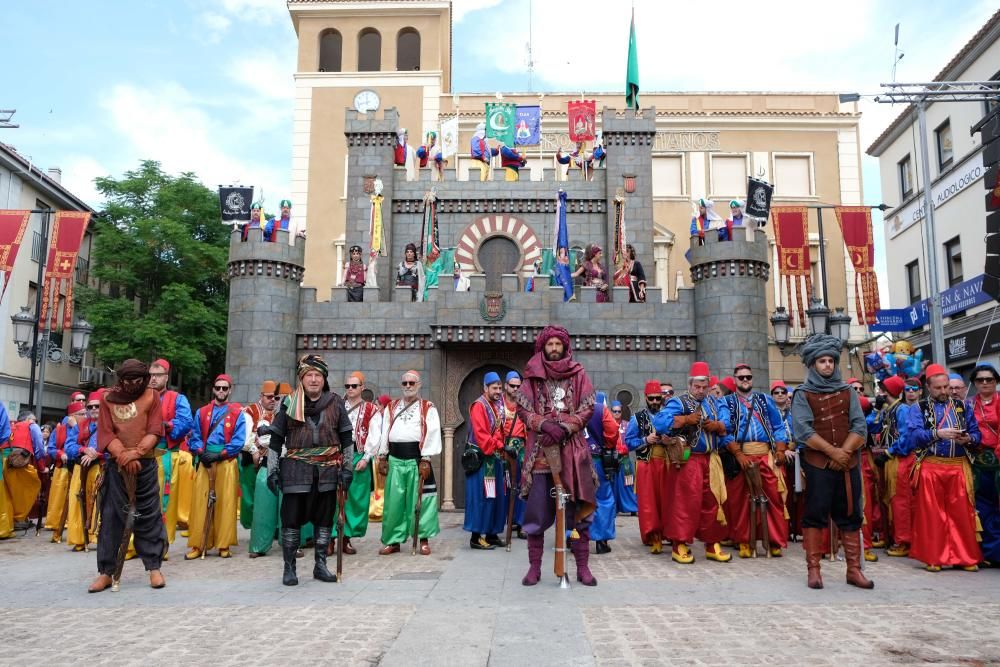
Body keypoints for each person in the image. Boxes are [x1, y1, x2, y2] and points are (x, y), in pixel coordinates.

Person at [515, 326, 598, 586]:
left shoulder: (578, 373)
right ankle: (534, 568)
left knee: (576, 515)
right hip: (541, 452)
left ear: (564, 346)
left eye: (557, 344)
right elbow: (523, 409)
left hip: (572, 452)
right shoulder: (532, 375)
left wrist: (562, 428)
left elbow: (587, 408)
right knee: (536, 514)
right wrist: (544, 425)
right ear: (543, 347)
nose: (553, 348)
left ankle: (582, 567)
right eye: (549, 344)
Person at [791, 334, 873, 590]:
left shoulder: (848, 391)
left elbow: (860, 426)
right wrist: (832, 452)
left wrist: (844, 453)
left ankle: (853, 570)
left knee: (851, 515)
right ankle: (813, 570)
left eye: (830, 361)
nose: (827, 365)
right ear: (813, 364)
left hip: (848, 463)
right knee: (814, 515)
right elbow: (803, 430)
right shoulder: (803, 393)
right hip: (818, 464)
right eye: (822, 361)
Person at [266, 354, 354, 585]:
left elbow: (347, 439)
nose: (314, 380)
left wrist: (348, 469)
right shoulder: (288, 403)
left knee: (325, 520)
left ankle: (320, 565)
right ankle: (289, 568)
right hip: (295, 471)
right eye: (309, 375)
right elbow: (276, 440)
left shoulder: (336, 402)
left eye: (318, 375)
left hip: (327, 473)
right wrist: (272, 471)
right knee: (291, 521)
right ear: (301, 379)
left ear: (324, 379)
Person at [89, 359, 167, 592]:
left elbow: (155, 429)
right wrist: (122, 454)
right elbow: (105, 432)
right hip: (117, 465)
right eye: (128, 381)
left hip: (144, 464)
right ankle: (105, 571)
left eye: (138, 381)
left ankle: (154, 567)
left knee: (148, 515)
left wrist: (137, 453)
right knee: (111, 517)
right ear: (120, 380)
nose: (133, 385)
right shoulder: (106, 399)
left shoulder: (152, 397)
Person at [654, 361, 733, 564]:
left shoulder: (715, 403)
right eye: (696, 386)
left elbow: (729, 423)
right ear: (689, 385)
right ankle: (678, 544)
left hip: (712, 459)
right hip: (687, 461)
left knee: (713, 502)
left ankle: (712, 543)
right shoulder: (679, 403)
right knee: (684, 504)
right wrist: (685, 420)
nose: (700, 390)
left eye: (704, 386)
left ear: (708, 385)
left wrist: (717, 425)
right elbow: (660, 422)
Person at [906, 364, 983, 571]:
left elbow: (977, 435)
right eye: (938, 388)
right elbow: (914, 436)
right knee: (932, 514)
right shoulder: (918, 408)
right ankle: (934, 557)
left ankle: (964, 557)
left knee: (962, 513)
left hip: (959, 466)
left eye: (946, 387)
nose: (944, 392)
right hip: (932, 466)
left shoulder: (964, 406)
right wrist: (937, 434)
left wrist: (968, 439)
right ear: (928, 388)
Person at [722, 363, 790, 558]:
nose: (745, 380)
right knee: (740, 501)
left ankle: (775, 541)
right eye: (741, 377)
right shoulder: (726, 402)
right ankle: (744, 541)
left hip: (765, 456)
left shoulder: (764, 400)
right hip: (741, 456)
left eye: (748, 377)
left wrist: (780, 449)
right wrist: (738, 454)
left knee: (774, 498)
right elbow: (724, 432)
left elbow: (778, 426)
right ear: (735, 380)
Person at [376, 370, 442, 555]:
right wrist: (382, 455)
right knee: (394, 503)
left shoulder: (428, 407)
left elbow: (433, 432)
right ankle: (393, 541)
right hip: (395, 460)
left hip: (417, 460)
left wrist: (426, 459)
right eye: (405, 383)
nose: (408, 386)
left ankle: (423, 539)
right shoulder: (391, 407)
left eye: (412, 383)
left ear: (419, 385)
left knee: (420, 501)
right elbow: (385, 431)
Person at [186, 374, 246, 560]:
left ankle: (223, 544)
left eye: (224, 388)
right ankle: (199, 543)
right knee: (200, 502)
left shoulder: (237, 414)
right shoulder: (202, 412)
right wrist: (199, 451)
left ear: (230, 390)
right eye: (218, 388)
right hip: (205, 460)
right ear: (213, 389)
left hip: (226, 461)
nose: (221, 391)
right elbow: (194, 435)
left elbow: (239, 440)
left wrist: (221, 454)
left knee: (226, 503)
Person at [148, 359, 194, 544]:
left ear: (166, 377)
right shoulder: (141, 397)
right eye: (150, 375)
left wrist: (167, 425)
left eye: (157, 375)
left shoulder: (178, 399)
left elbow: (185, 422)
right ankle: (135, 544)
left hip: (166, 454)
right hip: (143, 455)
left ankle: (161, 544)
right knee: (141, 502)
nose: (153, 379)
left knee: (165, 502)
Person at [337, 371, 382, 555]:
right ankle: (332, 537)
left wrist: (366, 457)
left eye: (354, 386)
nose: (350, 389)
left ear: (362, 388)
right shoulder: (336, 406)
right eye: (347, 386)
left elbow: (375, 435)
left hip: (358, 454)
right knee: (334, 498)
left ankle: (346, 537)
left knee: (355, 499)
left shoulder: (372, 410)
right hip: (337, 455)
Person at [463, 372, 508, 550]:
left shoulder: (494, 406)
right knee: (481, 497)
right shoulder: (478, 406)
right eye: (494, 388)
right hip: (481, 460)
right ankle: (476, 537)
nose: (498, 391)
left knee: (495, 497)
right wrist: (499, 445)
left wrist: (499, 444)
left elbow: (497, 432)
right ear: (485, 388)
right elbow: (482, 435)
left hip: (493, 458)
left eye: (500, 388)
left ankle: (491, 533)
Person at [625, 381, 670, 553]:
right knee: (648, 504)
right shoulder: (637, 418)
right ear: (645, 398)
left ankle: (667, 534)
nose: (655, 402)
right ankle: (653, 536)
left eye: (658, 398)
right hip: (646, 465)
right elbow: (628, 443)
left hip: (666, 464)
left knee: (666, 501)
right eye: (651, 399)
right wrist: (645, 440)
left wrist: (670, 440)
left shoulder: (668, 416)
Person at [885, 376, 923, 558]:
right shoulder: (892, 409)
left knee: (902, 501)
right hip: (898, 458)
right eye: (907, 389)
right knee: (896, 500)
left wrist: (889, 451)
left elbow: (906, 438)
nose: (910, 392)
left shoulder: (902, 410)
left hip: (904, 458)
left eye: (914, 389)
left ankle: (905, 541)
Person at [64, 393, 105, 551]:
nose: (94, 409)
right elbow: (69, 446)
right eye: (90, 406)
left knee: (101, 503)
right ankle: (80, 539)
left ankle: (99, 537)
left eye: (97, 406)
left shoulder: (110, 424)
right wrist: (84, 449)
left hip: (102, 468)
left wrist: (97, 454)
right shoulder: (80, 426)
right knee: (78, 501)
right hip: (81, 469)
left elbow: (115, 446)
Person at [969, 364, 1000, 565]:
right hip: (978, 463)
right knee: (983, 508)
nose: (985, 383)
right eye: (980, 380)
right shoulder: (969, 405)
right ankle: (992, 553)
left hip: (998, 460)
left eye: (989, 379)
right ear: (974, 383)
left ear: (996, 381)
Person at [588, 392, 625, 554]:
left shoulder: (571, 407)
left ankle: (572, 538)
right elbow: (612, 431)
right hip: (596, 460)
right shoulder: (599, 409)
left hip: (574, 461)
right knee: (602, 498)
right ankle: (601, 541)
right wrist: (607, 445)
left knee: (574, 497)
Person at [241, 381, 279, 537]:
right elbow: (244, 437)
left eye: (275, 397)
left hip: (272, 460)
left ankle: (273, 528)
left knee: (272, 495)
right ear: (261, 396)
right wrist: (255, 452)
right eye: (269, 397)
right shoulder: (249, 411)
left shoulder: (280, 413)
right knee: (250, 497)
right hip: (252, 460)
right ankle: (254, 530)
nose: (272, 400)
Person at [46, 400, 87, 542]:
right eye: (80, 414)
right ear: (71, 415)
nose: (84, 416)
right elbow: (50, 448)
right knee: (59, 502)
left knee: (77, 500)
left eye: (85, 413)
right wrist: (60, 453)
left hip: (80, 468)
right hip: (63, 469)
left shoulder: (86, 427)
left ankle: (78, 532)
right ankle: (56, 530)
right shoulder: (60, 430)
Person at [0, 407, 42, 539]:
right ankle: (19, 519)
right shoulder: (32, 426)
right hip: (19, 462)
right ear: (29, 420)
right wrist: (41, 467)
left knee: (6, 494)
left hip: (4, 461)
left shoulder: (12, 426)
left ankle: (11, 522)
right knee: (30, 488)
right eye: (34, 420)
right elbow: (39, 447)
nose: (35, 422)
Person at [501, 371, 528, 539]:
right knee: (505, 485)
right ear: (505, 386)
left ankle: (522, 522)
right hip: (504, 448)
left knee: (524, 485)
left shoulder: (525, 405)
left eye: (519, 386)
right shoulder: (498, 404)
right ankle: (505, 520)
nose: (516, 389)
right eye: (512, 386)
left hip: (522, 448)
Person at [609, 401, 638, 516]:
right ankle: (613, 507)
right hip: (611, 459)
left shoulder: (627, 424)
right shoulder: (607, 424)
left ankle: (632, 507)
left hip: (625, 459)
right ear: (611, 411)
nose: (616, 413)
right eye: (614, 411)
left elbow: (631, 439)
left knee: (628, 483)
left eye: (618, 411)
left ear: (621, 412)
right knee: (612, 484)